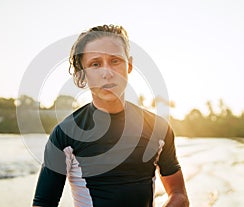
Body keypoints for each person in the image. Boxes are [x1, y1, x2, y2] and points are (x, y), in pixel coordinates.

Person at [32, 24, 189, 207]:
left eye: (115, 61)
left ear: (129, 65)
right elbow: (43, 203)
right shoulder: (65, 135)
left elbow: (179, 195)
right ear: (82, 73)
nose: (107, 73)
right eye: (95, 64)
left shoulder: (159, 128)